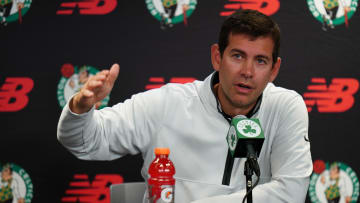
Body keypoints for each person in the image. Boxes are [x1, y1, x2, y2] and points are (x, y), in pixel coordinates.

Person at [57, 9, 312, 203]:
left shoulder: (285, 108)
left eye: (260, 61)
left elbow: (291, 192)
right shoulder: (167, 104)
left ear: (274, 69)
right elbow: (85, 142)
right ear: (216, 57)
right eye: (237, 56)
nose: (247, 71)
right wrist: (81, 108)